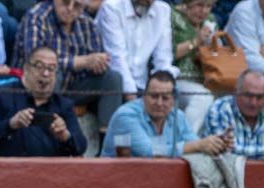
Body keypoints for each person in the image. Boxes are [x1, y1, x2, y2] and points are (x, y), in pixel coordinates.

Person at [13, 0, 122, 131]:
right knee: (51, 73)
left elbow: (94, 63)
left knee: (112, 78)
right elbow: (37, 63)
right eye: (65, 2)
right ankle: (47, 132)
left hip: (74, 87)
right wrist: (82, 62)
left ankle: (106, 141)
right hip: (33, 88)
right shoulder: (36, 17)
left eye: (77, 5)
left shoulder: (87, 23)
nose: (70, 9)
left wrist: (98, 63)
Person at [0, 44, 86, 155]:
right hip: (4, 172)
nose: (45, 73)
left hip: (49, 173)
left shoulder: (63, 105)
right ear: (26, 68)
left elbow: (81, 145)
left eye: (51, 68)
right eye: (39, 66)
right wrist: (10, 125)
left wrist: (65, 136)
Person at [101, 70, 232, 156]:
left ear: (174, 100)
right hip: (117, 183)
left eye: (165, 98)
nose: (159, 103)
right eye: (154, 96)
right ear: (144, 96)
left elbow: (195, 144)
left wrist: (217, 144)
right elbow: (148, 151)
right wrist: (198, 145)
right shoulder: (125, 116)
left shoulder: (178, 116)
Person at [97, 0, 174, 100]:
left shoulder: (163, 10)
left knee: (171, 90)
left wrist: (163, 89)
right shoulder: (112, 7)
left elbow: (163, 58)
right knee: (115, 80)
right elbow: (117, 58)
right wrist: (134, 100)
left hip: (143, 85)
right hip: (112, 84)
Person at [171, 0, 218, 132]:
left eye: (209, 6)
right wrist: (195, 42)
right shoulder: (172, 16)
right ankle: (185, 142)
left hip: (205, 80)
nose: (204, 11)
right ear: (187, 3)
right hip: (177, 79)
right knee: (203, 97)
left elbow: (216, 52)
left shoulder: (210, 19)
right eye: (199, 5)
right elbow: (166, 54)